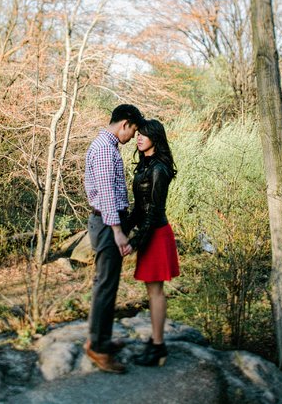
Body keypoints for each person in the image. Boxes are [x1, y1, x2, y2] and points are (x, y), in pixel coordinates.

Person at [83, 103, 144, 374]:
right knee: (106, 286)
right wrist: (119, 231)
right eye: (133, 131)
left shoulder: (103, 145)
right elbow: (107, 194)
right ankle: (98, 349)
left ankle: (101, 339)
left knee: (106, 284)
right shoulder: (107, 150)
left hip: (106, 222)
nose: (133, 137)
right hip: (109, 225)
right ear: (125, 124)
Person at [127, 118, 180, 367]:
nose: (138, 138)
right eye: (138, 134)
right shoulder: (144, 166)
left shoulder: (159, 168)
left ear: (155, 139)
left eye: (143, 135)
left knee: (156, 291)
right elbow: (139, 209)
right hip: (149, 232)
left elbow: (154, 211)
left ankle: (158, 346)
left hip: (156, 233)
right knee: (152, 290)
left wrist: (135, 242)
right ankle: (156, 341)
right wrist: (122, 228)